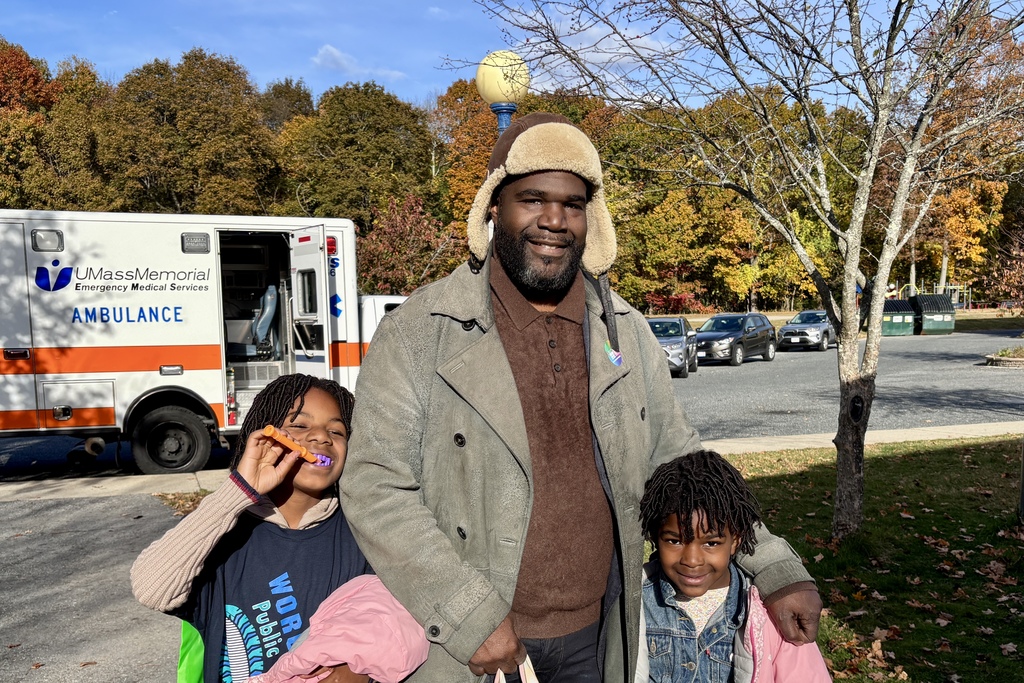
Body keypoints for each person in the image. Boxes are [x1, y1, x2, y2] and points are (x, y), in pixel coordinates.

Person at [339, 112, 822, 682]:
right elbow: (375, 483)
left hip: (602, 637)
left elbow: (684, 463)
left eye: (572, 204)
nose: (553, 220)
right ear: (494, 206)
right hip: (473, 647)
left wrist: (773, 565)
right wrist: (467, 614)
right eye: (533, 199)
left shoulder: (625, 331)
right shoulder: (422, 330)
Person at [131, 374, 371, 683]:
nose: (321, 437)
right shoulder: (222, 534)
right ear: (267, 437)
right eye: (299, 425)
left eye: (336, 430)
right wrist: (239, 492)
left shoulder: (363, 533)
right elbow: (151, 590)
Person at [635, 451, 831, 682]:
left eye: (711, 543)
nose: (692, 560)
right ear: (655, 537)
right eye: (675, 541)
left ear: (735, 540)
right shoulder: (636, 605)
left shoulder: (762, 613)